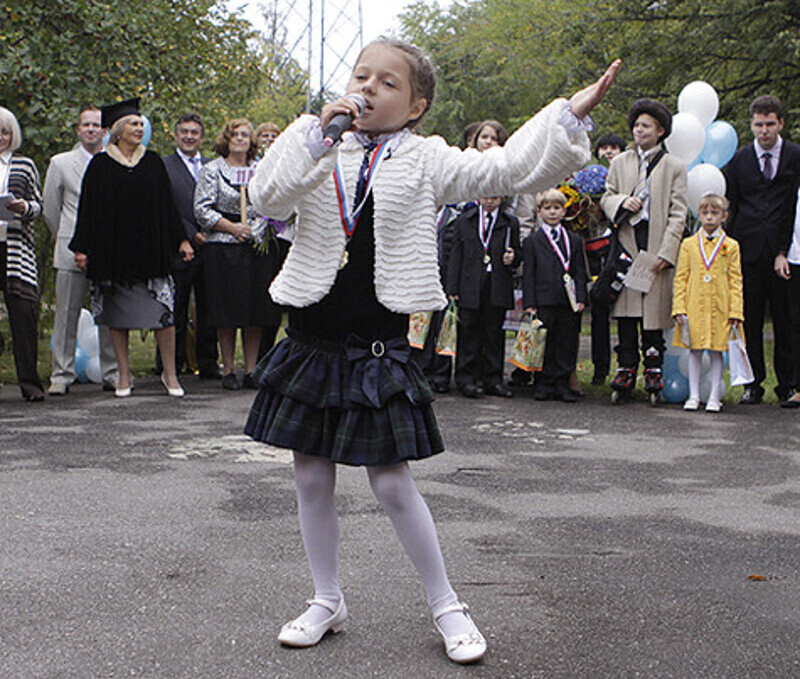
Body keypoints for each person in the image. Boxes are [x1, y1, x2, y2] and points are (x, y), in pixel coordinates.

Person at [243, 36, 618, 663]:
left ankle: (448, 604)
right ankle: (326, 598)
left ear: (417, 106)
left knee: (390, 484)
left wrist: (568, 117)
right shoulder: (313, 140)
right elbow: (267, 196)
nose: (367, 88)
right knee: (309, 473)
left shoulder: (427, 158)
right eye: (361, 75)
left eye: (388, 83)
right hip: (311, 337)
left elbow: (502, 169)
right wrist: (318, 135)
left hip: (377, 346)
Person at [69, 97, 193, 398]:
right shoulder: (100, 164)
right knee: (118, 317)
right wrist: (82, 247)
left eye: (141, 124)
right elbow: (88, 209)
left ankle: (170, 375)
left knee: (163, 316)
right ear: (119, 129)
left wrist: (182, 239)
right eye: (134, 124)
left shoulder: (151, 162)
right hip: (114, 253)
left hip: (151, 252)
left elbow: (167, 206)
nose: (139, 128)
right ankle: (124, 377)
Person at [600, 98, 687, 402]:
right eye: (636, 125)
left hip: (655, 247)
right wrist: (622, 202)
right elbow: (606, 197)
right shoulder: (621, 162)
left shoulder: (674, 166)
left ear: (660, 131)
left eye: (646, 125)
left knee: (652, 315)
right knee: (626, 313)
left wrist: (667, 253)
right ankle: (625, 367)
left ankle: (654, 367)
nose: (639, 130)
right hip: (627, 245)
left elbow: (679, 213)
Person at [193, 119, 281, 390]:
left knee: (254, 311)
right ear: (226, 140)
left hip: (255, 246)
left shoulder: (260, 170)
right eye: (236, 135)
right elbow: (201, 209)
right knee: (226, 310)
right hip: (222, 247)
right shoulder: (211, 170)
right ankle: (229, 368)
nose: (241, 139)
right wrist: (232, 228)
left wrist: (253, 229)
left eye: (245, 135)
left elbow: (269, 204)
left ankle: (252, 368)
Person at [725, 95, 800, 405]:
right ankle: (752, 383)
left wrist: (785, 246)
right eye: (759, 125)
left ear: (780, 123)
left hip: (785, 252)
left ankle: (789, 385)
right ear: (751, 124)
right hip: (747, 250)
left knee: (788, 321)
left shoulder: (796, 156)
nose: (764, 130)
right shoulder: (739, 160)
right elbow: (732, 203)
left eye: (770, 124)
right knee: (749, 320)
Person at [43, 106, 119, 395]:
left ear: (105, 130)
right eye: (85, 124)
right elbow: (51, 208)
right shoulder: (60, 163)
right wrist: (65, 238)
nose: (91, 129)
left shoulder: (113, 160)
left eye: (96, 125)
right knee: (66, 313)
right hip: (69, 247)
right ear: (78, 129)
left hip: (107, 250)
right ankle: (61, 374)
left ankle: (111, 371)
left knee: (108, 312)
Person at [161, 112, 220, 380]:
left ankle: (208, 363)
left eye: (194, 132)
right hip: (178, 246)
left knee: (210, 307)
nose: (188, 136)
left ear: (202, 137)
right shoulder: (164, 166)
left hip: (212, 245)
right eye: (184, 131)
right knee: (176, 307)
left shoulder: (213, 166)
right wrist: (189, 234)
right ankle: (172, 364)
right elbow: (166, 207)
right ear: (176, 135)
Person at [672, 194, 743, 412]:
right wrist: (679, 307)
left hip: (719, 306)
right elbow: (681, 277)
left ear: (724, 216)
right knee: (694, 349)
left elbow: (736, 280)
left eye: (715, 213)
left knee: (715, 350)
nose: (710, 218)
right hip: (694, 304)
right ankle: (693, 395)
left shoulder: (731, 246)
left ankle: (714, 396)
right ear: (699, 215)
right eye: (705, 213)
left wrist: (735, 311)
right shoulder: (689, 244)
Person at [447, 195, 520, 397]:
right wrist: (452, 288)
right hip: (470, 284)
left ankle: (493, 378)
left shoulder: (509, 222)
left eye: (495, 198)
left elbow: (517, 254)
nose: (490, 202)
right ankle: (466, 378)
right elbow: (456, 254)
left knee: (494, 333)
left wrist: (512, 258)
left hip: (496, 284)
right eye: (486, 197)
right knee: (469, 331)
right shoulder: (465, 220)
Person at [522, 188, 588, 401]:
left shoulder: (574, 240)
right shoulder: (532, 241)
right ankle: (543, 383)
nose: (552, 212)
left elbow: (580, 272)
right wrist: (530, 302)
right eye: (548, 208)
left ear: (564, 211)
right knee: (545, 342)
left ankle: (562, 383)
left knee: (565, 342)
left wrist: (581, 299)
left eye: (557, 208)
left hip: (567, 301)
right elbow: (529, 274)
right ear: (539, 212)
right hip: (543, 300)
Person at [0, 106, 45, 401]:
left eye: (4, 132)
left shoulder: (25, 165)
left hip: (15, 249)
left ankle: (30, 384)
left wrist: (23, 207)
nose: (0, 137)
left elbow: (39, 205)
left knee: (23, 316)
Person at [587, 132, 626, 385]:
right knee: (597, 313)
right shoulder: (587, 180)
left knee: (624, 314)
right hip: (593, 251)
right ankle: (599, 369)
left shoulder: (628, 177)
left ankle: (626, 366)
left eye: (614, 148)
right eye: (604, 148)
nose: (609, 152)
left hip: (620, 253)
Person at [775, 183, 800, 408]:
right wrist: (782, 253)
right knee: (796, 324)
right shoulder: (794, 186)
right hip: (796, 260)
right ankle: (798, 387)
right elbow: (787, 220)